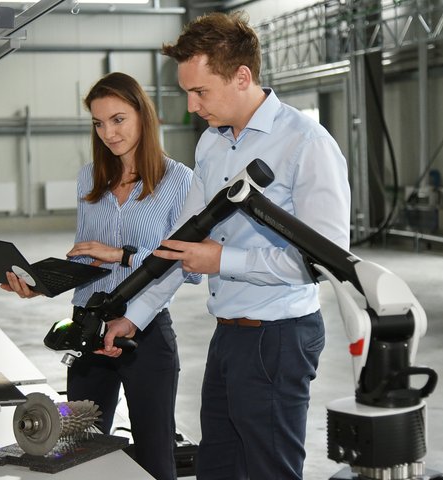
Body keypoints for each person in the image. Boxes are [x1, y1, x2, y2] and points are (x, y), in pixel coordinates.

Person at [99, 12, 351, 480]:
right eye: (187, 93)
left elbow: (325, 262)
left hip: (279, 337)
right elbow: (181, 244)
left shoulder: (305, 143)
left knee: (269, 470)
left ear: (242, 77)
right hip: (229, 334)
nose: (192, 106)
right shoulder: (212, 147)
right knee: (218, 467)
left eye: (200, 92)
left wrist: (223, 260)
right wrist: (132, 317)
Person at [2, 71, 199, 480]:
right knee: (80, 451)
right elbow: (86, 259)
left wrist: (123, 255)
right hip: (88, 328)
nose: (108, 132)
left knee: (154, 457)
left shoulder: (179, 181)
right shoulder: (89, 178)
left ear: (143, 116)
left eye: (118, 119)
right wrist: (42, 285)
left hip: (143, 333)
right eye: (98, 122)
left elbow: (185, 264)